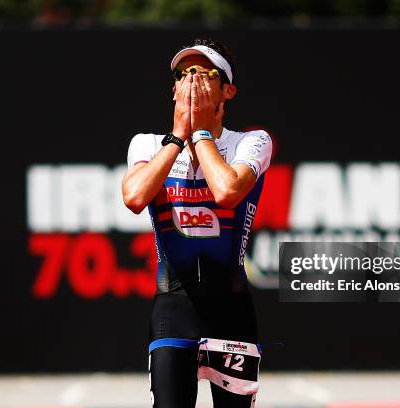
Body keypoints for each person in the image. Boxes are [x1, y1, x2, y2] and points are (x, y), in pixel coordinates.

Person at [122, 38, 272, 408]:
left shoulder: (251, 142)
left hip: (231, 311)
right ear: (173, 89)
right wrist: (177, 138)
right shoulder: (147, 144)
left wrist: (201, 133)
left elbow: (227, 191)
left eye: (204, 73)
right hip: (174, 309)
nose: (192, 82)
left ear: (227, 90)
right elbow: (134, 197)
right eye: (183, 74)